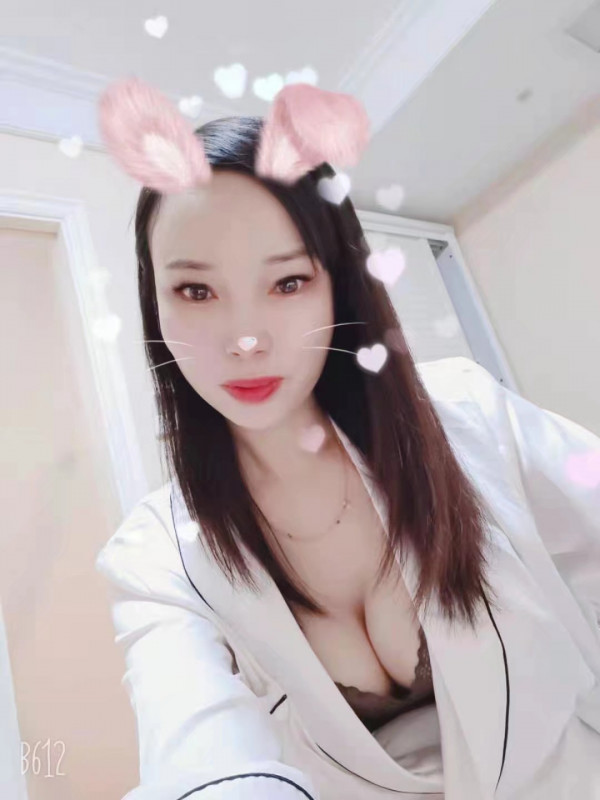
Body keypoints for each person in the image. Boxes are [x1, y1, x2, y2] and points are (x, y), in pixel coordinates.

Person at [95, 112, 600, 800]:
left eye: (287, 282)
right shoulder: (156, 556)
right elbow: (196, 751)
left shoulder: (468, 415)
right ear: (155, 302)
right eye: (196, 290)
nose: (245, 340)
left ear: (338, 281)